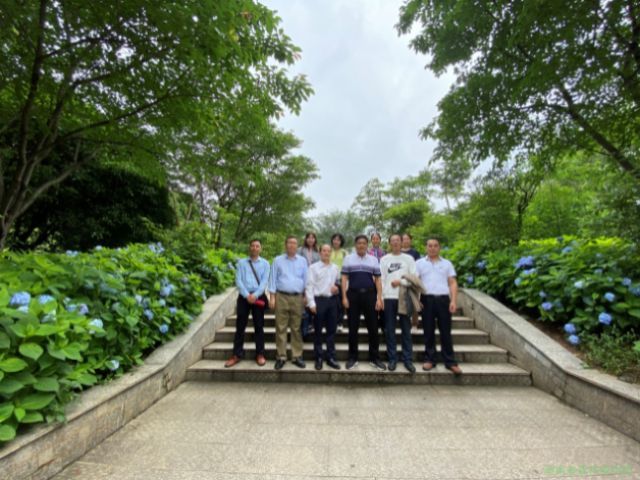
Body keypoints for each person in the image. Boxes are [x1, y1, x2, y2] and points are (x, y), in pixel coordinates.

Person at [415, 237, 462, 375]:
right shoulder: (419, 263)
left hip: (443, 300)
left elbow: (452, 283)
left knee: (446, 331)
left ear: (439, 248)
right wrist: (417, 300)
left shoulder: (447, 264)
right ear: (426, 247)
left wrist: (453, 301)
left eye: (435, 245)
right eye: (430, 245)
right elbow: (415, 283)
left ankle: (450, 361)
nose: (432, 248)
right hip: (426, 300)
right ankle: (430, 359)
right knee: (428, 331)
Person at [341, 235, 386, 371]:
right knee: (352, 328)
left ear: (367, 245)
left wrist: (379, 298)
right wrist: (344, 297)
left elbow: (378, 279)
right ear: (355, 245)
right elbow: (344, 278)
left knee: (373, 328)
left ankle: (374, 357)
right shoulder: (348, 259)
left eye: (364, 243)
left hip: (370, 295)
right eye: (359, 243)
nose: (361, 245)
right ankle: (352, 357)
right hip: (353, 295)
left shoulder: (373, 260)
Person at [225, 239, 270, 368]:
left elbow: (264, 282)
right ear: (249, 247)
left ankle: (260, 354)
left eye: (257, 246)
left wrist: (255, 295)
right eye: (253, 246)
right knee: (240, 326)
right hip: (244, 297)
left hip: (258, 296)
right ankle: (236, 354)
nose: (255, 248)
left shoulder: (265, 264)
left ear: (260, 248)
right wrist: (247, 295)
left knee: (259, 326)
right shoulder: (241, 263)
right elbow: (238, 281)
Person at [269, 236, 308, 370]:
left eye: (294, 243)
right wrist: (272, 297)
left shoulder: (302, 261)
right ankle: (281, 356)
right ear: (285, 245)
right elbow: (273, 279)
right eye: (289, 243)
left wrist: (306, 295)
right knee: (281, 327)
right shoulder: (277, 260)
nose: (292, 245)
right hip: (281, 296)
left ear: (297, 246)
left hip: (297, 298)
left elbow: (306, 279)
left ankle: (297, 356)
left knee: (296, 328)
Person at [380, 234, 417, 373]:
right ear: (389, 243)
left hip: (404, 297)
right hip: (388, 298)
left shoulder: (409, 259)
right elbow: (381, 279)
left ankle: (408, 360)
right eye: (393, 241)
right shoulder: (384, 259)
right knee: (389, 330)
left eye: (398, 240)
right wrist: (381, 297)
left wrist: (400, 282)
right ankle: (392, 359)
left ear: (402, 242)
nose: (395, 243)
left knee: (406, 329)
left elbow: (414, 278)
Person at [305, 244, 341, 370]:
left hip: (332, 301)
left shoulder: (335, 268)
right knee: (318, 331)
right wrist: (311, 303)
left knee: (331, 331)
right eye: (324, 251)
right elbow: (309, 286)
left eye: (328, 251)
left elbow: (338, 283)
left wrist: (337, 289)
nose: (326, 253)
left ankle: (331, 357)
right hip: (318, 301)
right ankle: (319, 357)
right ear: (320, 253)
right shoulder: (313, 268)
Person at [298, 232, 320, 337]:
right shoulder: (300, 250)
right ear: (306, 239)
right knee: (304, 303)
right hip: (302, 278)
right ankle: (304, 329)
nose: (311, 240)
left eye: (313, 238)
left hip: (314, 280)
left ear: (315, 240)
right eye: (309, 238)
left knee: (312, 302)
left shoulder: (318, 251)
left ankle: (311, 325)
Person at [329, 233, 348, 331]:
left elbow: (347, 266)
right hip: (329, 280)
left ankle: (340, 323)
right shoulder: (328, 251)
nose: (336, 241)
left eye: (338, 240)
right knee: (330, 302)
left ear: (341, 242)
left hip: (341, 280)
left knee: (340, 302)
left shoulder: (344, 252)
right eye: (334, 239)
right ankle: (331, 323)